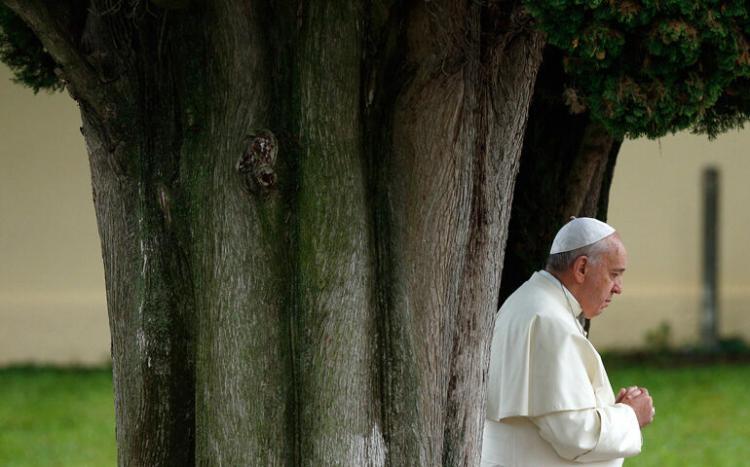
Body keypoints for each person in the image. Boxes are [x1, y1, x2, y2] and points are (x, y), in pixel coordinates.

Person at [481, 217, 654, 467]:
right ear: (581, 268)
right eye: (614, 274)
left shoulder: (533, 302)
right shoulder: (549, 321)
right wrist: (630, 416)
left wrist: (607, 411)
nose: (619, 288)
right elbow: (574, 436)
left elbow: (554, 414)